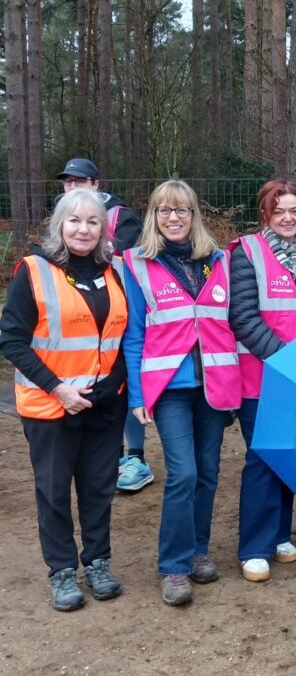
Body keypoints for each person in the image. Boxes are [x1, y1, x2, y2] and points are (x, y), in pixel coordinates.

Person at [0, 189, 128, 611]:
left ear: (104, 229)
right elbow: (12, 340)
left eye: (93, 221)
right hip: (51, 405)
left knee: (98, 488)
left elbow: (127, 338)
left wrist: (112, 386)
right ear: (59, 225)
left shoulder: (116, 271)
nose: (83, 229)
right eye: (74, 221)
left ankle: (97, 562)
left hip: (105, 403)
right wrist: (59, 388)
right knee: (54, 491)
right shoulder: (33, 271)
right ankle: (61, 571)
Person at [123, 180, 241, 606]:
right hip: (168, 386)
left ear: (195, 215)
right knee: (184, 474)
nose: (174, 218)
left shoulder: (219, 261)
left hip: (215, 384)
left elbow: (231, 322)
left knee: (209, 473)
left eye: (183, 210)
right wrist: (137, 396)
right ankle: (172, 567)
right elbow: (134, 335)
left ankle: (198, 551)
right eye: (165, 210)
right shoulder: (136, 263)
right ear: (154, 216)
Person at [230, 179, 296, 582]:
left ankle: (280, 533)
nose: (287, 218)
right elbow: (243, 317)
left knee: (289, 453)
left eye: (294, 211)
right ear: (265, 215)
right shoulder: (246, 253)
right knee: (263, 456)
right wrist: (289, 359)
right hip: (260, 377)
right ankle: (254, 546)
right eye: (278, 211)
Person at [57, 157, 150, 492]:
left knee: (121, 380)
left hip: (119, 308)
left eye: (80, 181)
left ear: (95, 184)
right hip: (79, 313)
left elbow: (124, 259)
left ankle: (136, 457)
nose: (73, 186)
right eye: (68, 181)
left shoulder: (121, 217)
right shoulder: (62, 217)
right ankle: (110, 455)